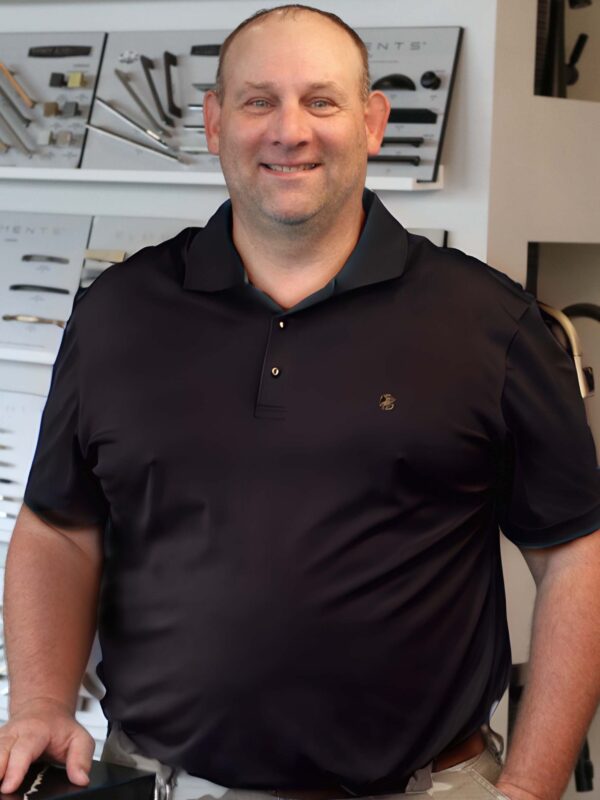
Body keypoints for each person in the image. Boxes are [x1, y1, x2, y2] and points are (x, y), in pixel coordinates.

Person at [1, 5, 599, 800]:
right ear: (214, 122)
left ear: (372, 121)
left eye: (321, 101)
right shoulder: (117, 311)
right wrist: (41, 702)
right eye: (258, 102)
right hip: (161, 782)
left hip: (425, 786)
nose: (290, 131)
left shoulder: (493, 325)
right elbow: (57, 529)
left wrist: (531, 786)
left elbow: (576, 557)